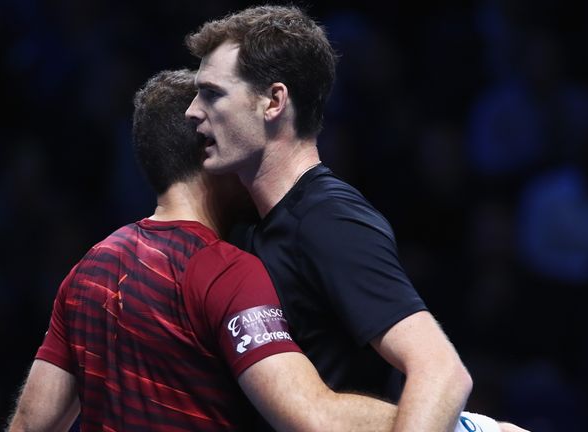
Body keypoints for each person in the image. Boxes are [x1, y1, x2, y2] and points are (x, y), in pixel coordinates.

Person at [185, 5, 527, 432]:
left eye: (213, 93)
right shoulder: (250, 227)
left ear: (273, 102)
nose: (193, 111)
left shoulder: (328, 218)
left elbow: (441, 371)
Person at [6, 68, 405, 432]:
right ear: (208, 149)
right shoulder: (226, 271)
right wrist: (445, 419)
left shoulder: (88, 270)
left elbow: (28, 425)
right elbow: (314, 415)